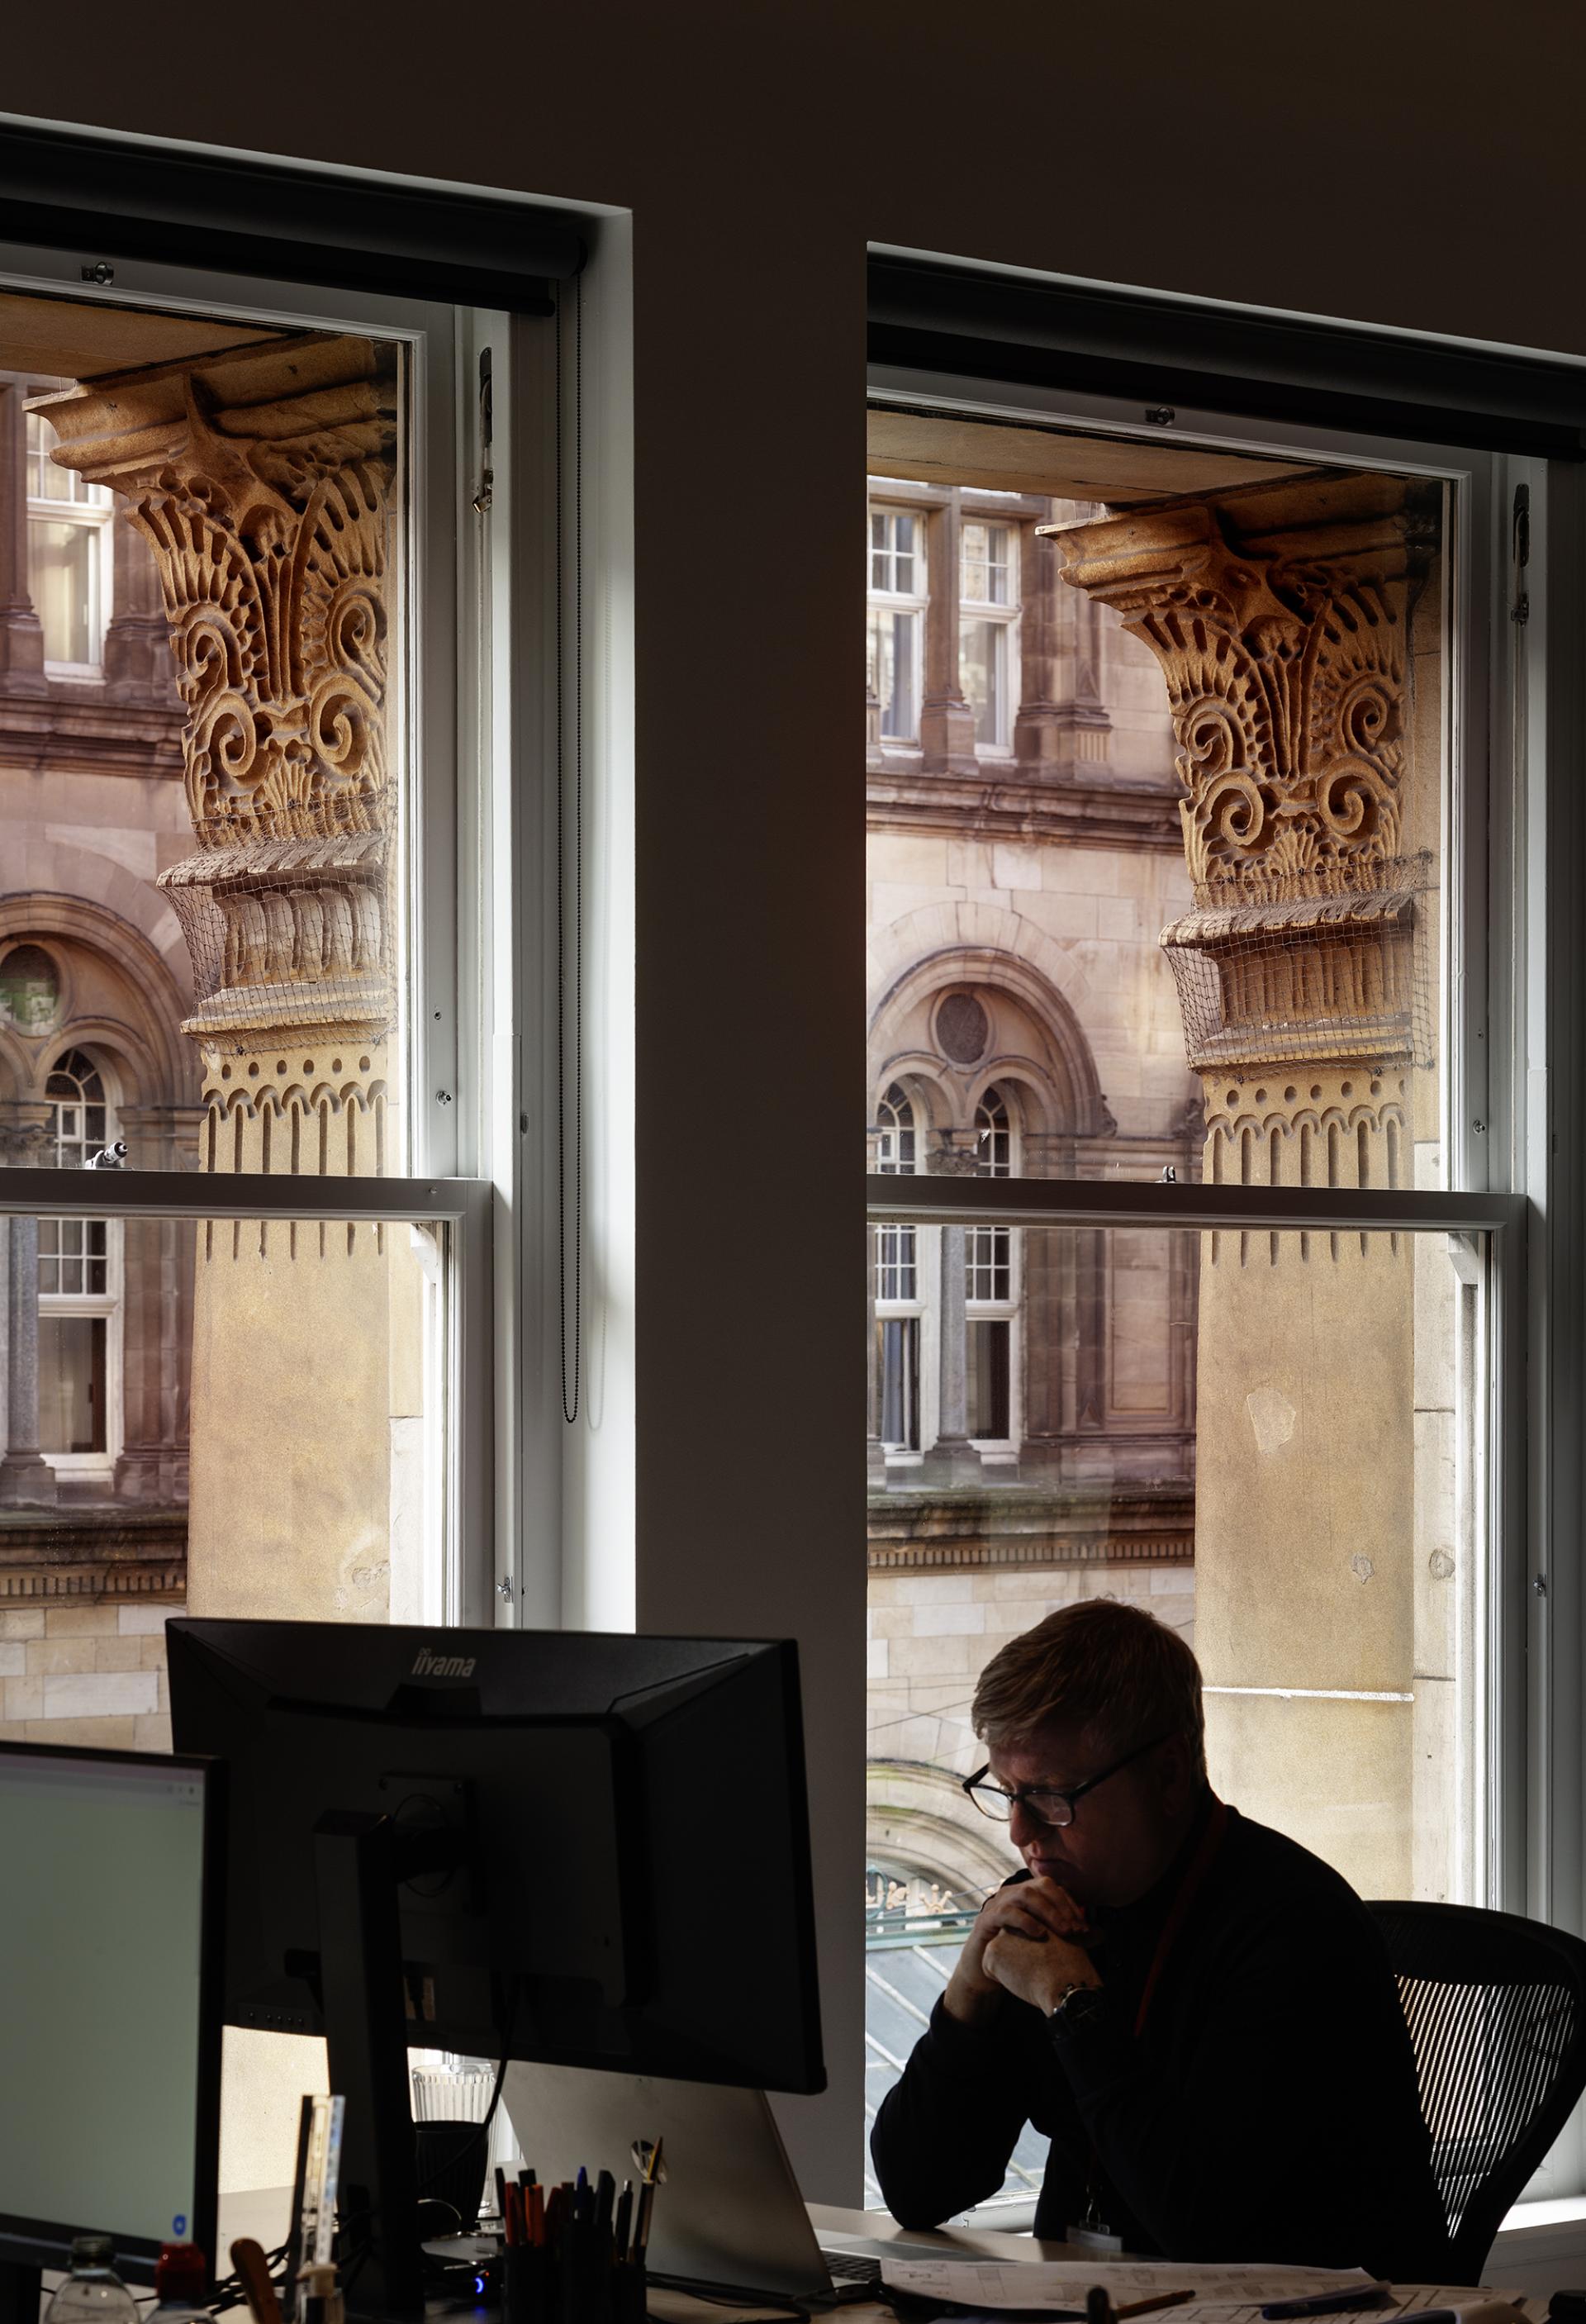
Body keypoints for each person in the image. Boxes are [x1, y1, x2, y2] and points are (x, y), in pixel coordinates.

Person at [869, 1600, 1455, 2281]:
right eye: (1007, 1791)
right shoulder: (1053, 1906)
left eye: (1054, 1795)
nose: (1021, 1832)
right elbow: (918, 2189)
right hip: (1099, 2298)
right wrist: (968, 1996)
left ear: (1169, 1773)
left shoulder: (1295, 1926)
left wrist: (1073, 2003)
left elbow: (1204, 2225)